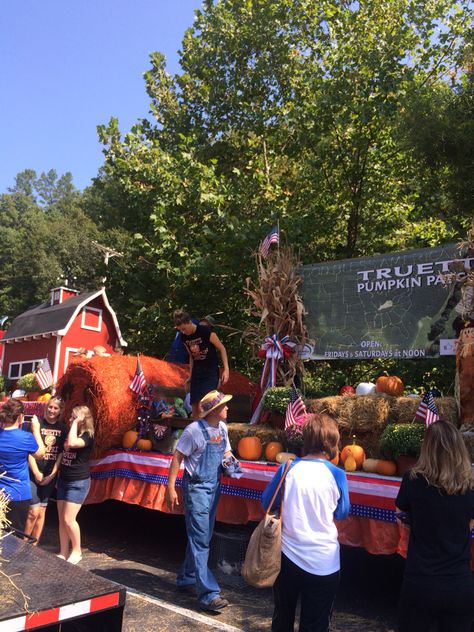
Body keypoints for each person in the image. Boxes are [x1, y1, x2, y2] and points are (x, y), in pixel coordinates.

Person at [261, 413, 350, 632]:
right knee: (316, 625)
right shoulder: (338, 474)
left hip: (287, 559)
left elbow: (266, 502)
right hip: (324, 563)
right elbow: (342, 513)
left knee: (282, 619)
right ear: (333, 444)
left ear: (306, 441)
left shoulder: (288, 468)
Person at [395, 420, 474, 632]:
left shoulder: (412, 480)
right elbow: (469, 525)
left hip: (421, 581)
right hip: (460, 583)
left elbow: (399, 512)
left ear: (427, 448)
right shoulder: (470, 486)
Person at [166, 390, 234, 612]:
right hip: (196, 489)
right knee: (202, 540)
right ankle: (209, 594)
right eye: (224, 405)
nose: (227, 408)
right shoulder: (193, 431)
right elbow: (178, 457)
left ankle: (186, 578)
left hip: (214, 486)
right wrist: (170, 487)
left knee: (200, 536)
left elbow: (226, 452)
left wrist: (230, 463)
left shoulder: (222, 428)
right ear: (214, 410)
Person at [24, 396, 67, 544]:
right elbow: (28, 451)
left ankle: (34, 544)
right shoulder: (37, 424)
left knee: (42, 511)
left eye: (56, 408)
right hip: (33, 472)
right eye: (50, 407)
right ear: (46, 407)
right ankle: (23, 543)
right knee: (32, 511)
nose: (52, 410)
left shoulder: (63, 428)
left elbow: (60, 453)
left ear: (60, 410)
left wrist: (53, 474)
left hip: (49, 475)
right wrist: (36, 471)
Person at [173, 309, 230, 419]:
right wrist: (191, 375)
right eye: (180, 330)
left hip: (210, 372)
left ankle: (214, 428)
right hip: (197, 372)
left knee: (208, 402)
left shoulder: (205, 331)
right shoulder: (183, 336)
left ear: (189, 322)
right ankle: (197, 431)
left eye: (184, 328)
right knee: (195, 405)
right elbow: (191, 356)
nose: (183, 332)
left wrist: (226, 370)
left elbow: (222, 348)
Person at [0, 398, 45, 533]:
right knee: (12, 538)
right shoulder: (25, 437)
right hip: (17, 494)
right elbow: (41, 454)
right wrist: (36, 430)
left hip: (1, 492)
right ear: (20, 416)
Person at [56, 405, 95, 564]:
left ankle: (77, 550)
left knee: (68, 519)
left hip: (78, 482)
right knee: (61, 519)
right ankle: (63, 551)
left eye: (74, 417)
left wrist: (75, 424)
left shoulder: (88, 435)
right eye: (70, 417)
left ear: (82, 420)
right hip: (64, 479)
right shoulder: (70, 431)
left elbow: (72, 443)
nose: (70, 419)